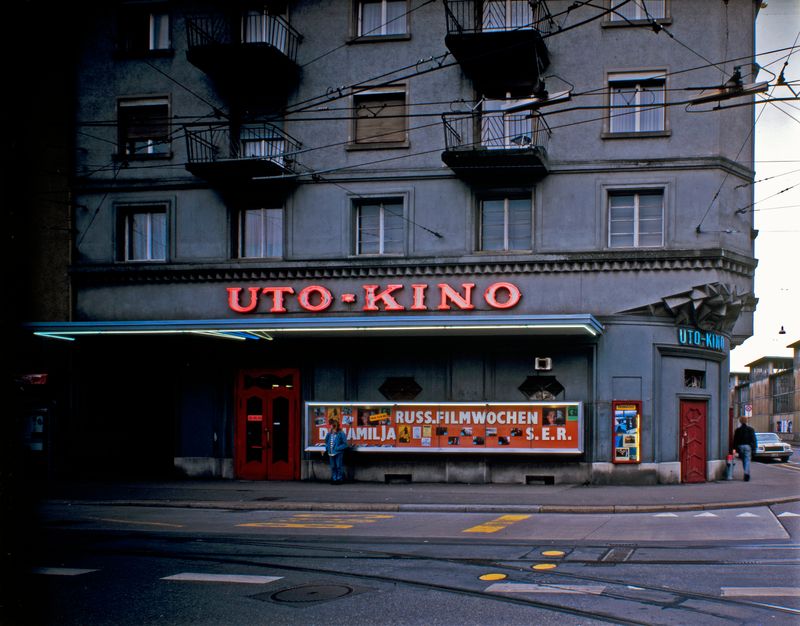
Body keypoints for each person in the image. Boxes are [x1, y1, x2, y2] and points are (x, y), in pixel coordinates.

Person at [731, 416, 757, 482]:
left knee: (743, 460)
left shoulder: (737, 430)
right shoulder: (751, 429)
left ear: (740, 421)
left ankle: (746, 472)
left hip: (740, 446)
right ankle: (746, 473)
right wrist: (754, 448)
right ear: (746, 421)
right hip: (748, 446)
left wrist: (734, 448)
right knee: (747, 460)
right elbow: (753, 439)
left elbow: (735, 440)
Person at [324, 417, 348, 484]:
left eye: (331, 425)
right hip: (330, 453)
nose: (330, 427)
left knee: (338, 466)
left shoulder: (341, 433)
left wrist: (338, 448)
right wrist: (327, 447)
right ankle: (334, 478)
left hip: (338, 453)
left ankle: (339, 479)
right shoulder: (329, 434)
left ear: (335, 426)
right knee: (333, 466)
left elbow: (345, 444)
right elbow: (326, 441)